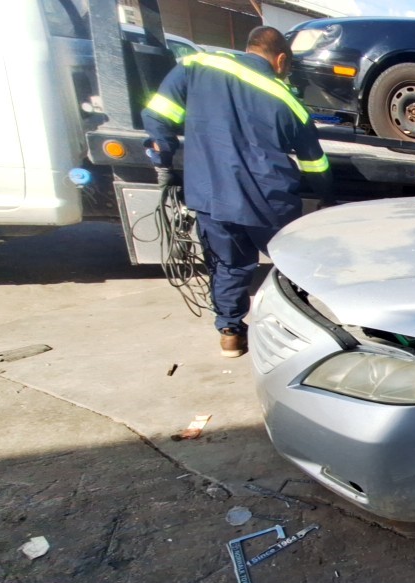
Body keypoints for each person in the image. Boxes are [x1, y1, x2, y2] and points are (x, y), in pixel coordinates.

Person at [143, 26, 333, 358]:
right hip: (267, 201)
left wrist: (163, 158)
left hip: (211, 195)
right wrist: (326, 195)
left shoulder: (197, 64)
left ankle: (230, 333)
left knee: (228, 265)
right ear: (281, 60)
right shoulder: (287, 100)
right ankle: (294, 333)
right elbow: (314, 161)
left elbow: (158, 114)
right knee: (290, 266)